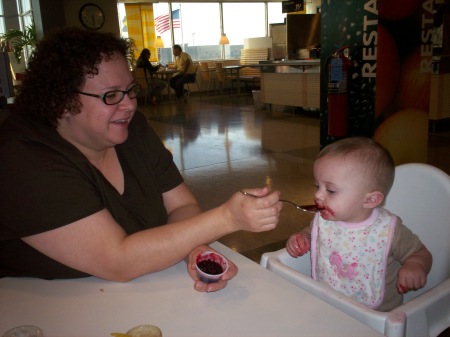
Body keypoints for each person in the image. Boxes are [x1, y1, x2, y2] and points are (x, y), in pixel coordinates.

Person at [0, 27, 282, 293]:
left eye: (131, 90)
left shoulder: (132, 130)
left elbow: (182, 205)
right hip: (41, 304)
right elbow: (117, 261)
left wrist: (191, 247)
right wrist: (228, 217)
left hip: (144, 287)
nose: (130, 104)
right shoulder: (23, 158)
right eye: (111, 95)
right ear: (60, 101)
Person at [286, 137, 432, 311]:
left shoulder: (388, 230)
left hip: (376, 318)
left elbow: (420, 253)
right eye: (317, 185)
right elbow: (312, 232)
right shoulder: (324, 220)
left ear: (370, 200)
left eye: (330, 190)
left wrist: (415, 265)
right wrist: (303, 237)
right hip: (329, 305)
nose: (318, 195)